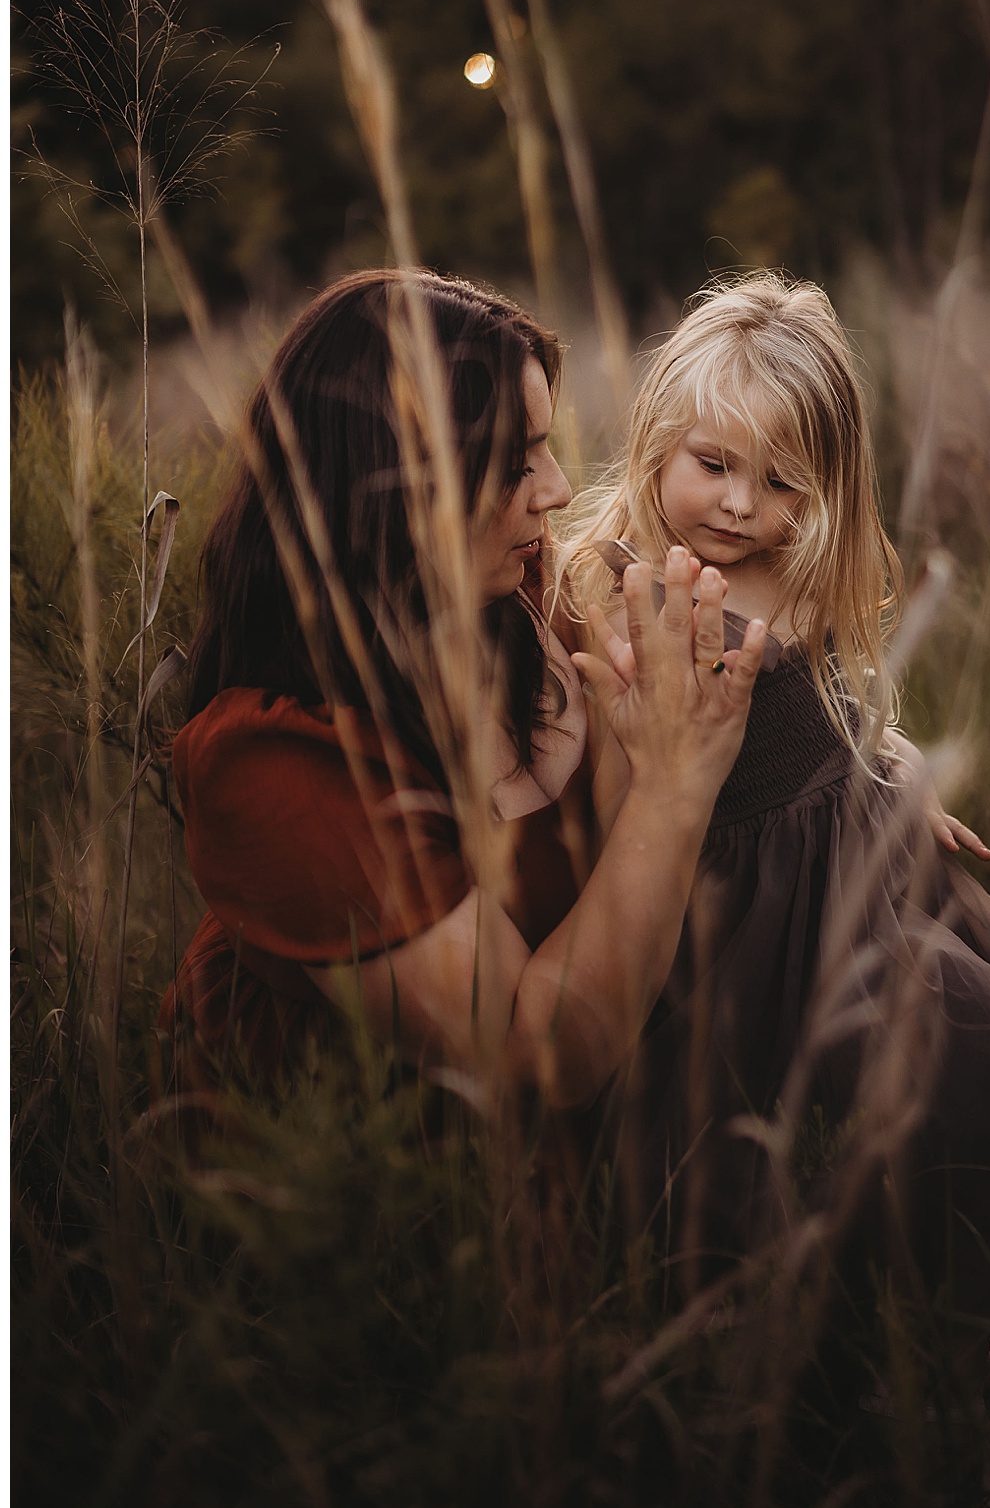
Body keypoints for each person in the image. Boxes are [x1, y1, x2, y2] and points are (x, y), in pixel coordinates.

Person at [556, 271, 990, 1332]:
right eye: (714, 465)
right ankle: (922, 1316)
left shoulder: (796, 572)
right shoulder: (631, 597)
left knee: (988, 1077)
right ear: (660, 434)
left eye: (783, 483)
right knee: (820, 1128)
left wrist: (887, 774)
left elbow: (836, 708)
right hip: (751, 922)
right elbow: (626, 799)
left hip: (868, 878)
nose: (743, 504)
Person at [159, 267, 767, 1119]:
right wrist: (675, 786)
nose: (556, 489)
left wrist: (867, 766)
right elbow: (529, 1062)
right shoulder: (276, 767)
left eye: (546, 449)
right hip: (370, 1201)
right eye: (513, 463)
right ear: (394, 489)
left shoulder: (516, 595)